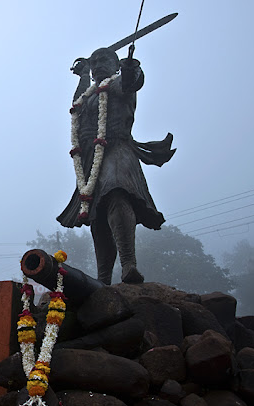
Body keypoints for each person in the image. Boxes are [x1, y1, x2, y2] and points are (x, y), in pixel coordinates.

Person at [57, 47, 175, 285]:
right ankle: (103, 278)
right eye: (94, 62)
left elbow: (131, 82)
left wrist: (130, 67)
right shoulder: (90, 93)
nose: (98, 65)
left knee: (116, 192)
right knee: (97, 214)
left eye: (104, 60)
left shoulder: (116, 84)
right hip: (91, 159)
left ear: (115, 65)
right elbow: (77, 105)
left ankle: (129, 263)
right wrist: (82, 76)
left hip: (117, 149)